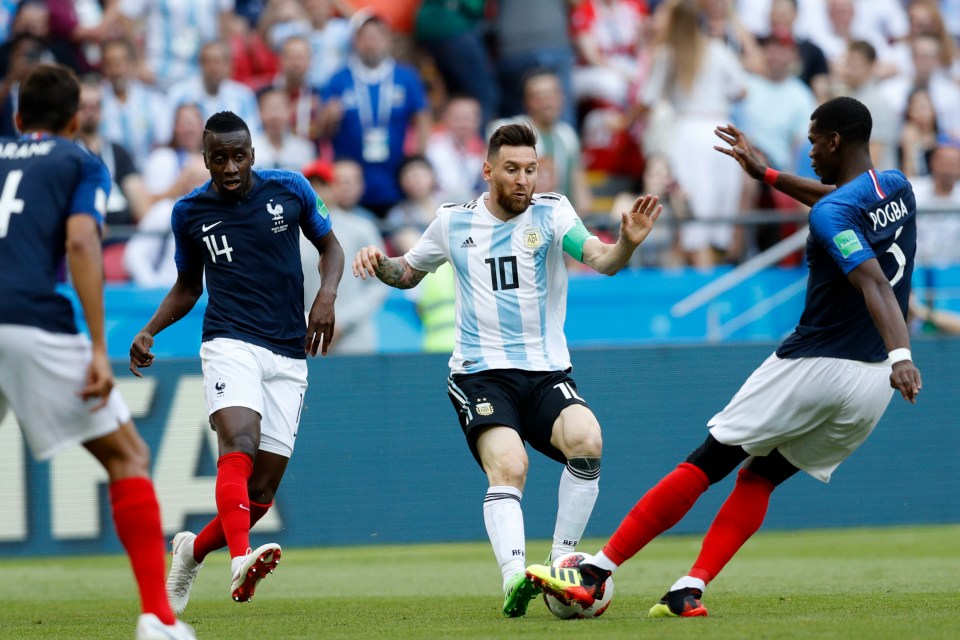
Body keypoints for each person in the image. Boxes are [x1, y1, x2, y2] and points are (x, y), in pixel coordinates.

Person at [526, 96, 923, 618]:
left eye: (812, 142)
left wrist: (903, 352)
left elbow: (869, 276)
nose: (808, 153)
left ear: (834, 141)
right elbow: (837, 201)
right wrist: (770, 175)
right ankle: (688, 588)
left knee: (707, 461)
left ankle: (594, 572)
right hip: (872, 389)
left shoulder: (832, 211)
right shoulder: (896, 186)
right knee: (762, 477)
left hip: (817, 364)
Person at [352, 122, 662, 617]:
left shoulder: (554, 212)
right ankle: (514, 578)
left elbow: (603, 260)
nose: (523, 180)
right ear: (488, 170)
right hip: (480, 373)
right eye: (513, 169)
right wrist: (378, 261)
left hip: (545, 372)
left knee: (588, 440)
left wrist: (626, 243)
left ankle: (561, 561)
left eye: (531, 170)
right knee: (511, 466)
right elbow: (407, 272)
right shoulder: (453, 222)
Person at [0, 63, 194, 640]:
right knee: (127, 457)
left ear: (16, 119)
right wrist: (95, 346)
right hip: (31, 320)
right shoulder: (80, 160)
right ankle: (159, 619)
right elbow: (83, 238)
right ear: (74, 119)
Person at [128, 110, 344, 612]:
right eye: (218, 157)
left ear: (252, 153)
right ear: (205, 158)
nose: (229, 167)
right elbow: (188, 286)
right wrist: (150, 329)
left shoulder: (290, 189)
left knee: (262, 492)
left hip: (289, 351)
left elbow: (330, 247)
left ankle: (190, 552)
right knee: (238, 443)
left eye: (238, 155)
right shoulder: (188, 212)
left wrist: (327, 295)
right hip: (229, 341)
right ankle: (239, 560)